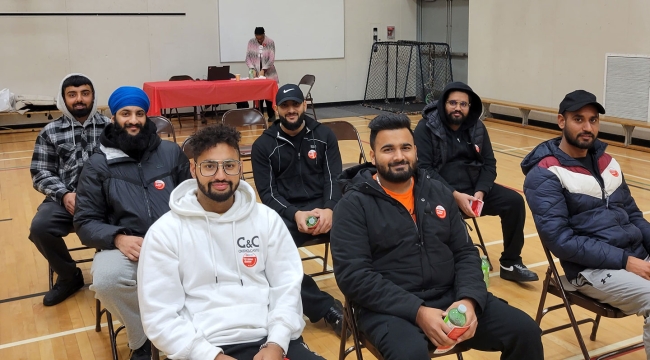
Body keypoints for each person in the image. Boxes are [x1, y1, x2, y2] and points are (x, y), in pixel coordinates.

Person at [331, 114, 544, 360]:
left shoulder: (438, 191)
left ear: (416, 152)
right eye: (388, 149)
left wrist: (469, 300)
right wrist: (418, 311)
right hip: (389, 309)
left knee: (525, 332)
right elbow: (354, 276)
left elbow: (465, 252)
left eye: (405, 148)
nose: (399, 156)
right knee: (410, 354)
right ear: (373, 156)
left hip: (451, 295)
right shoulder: (352, 205)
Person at [138, 124, 325, 360]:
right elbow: (159, 315)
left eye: (229, 165)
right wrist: (209, 355)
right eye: (209, 166)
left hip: (269, 340)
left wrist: (277, 342)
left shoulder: (267, 220)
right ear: (193, 169)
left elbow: (287, 288)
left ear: (240, 168)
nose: (220, 176)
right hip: (199, 347)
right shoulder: (165, 232)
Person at [522, 90, 650, 358]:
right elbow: (561, 241)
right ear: (561, 121)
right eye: (578, 119)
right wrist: (627, 261)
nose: (587, 127)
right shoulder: (545, 174)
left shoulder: (607, 162)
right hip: (590, 269)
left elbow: (634, 216)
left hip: (630, 256)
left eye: (593, 120)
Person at [73, 86, 191, 360]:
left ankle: (185, 327)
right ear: (113, 118)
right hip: (126, 247)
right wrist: (117, 238)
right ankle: (143, 339)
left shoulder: (171, 153)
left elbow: (191, 201)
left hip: (175, 242)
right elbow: (85, 221)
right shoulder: (97, 165)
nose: (134, 120)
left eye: (140, 113)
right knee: (106, 281)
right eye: (125, 113)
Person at [413, 81, 538, 282]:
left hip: (473, 191)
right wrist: (454, 195)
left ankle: (510, 262)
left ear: (469, 107)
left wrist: (481, 191)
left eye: (463, 104)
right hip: (439, 192)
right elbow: (423, 169)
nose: (458, 108)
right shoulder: (425, 128)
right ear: (443, 104)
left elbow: (489, 164)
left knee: (514, 202)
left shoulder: (477, 127)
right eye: (453, 103)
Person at [251, 84, 345, 335]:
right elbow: (268, 194)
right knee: (269, 257)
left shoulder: (324, 135)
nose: (291, 110)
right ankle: (327, 309)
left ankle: (367, 304)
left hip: (327, 210)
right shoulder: (264, 145)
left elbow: (334, 179)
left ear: (304, 105)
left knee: (363, 236)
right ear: (276, 109)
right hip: (288, 215)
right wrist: (295, 214)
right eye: (285, 106)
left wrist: (330, 209)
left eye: (296, 104)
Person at [29, 73, 110, 306]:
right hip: (64, 199)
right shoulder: (50, 132)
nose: (79, 99)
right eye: (72, 95)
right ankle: (69, 276)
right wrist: (64, 194)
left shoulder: (111, 128)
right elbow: (40, 172)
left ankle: (110, 274)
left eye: (85, 93)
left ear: (93, 96)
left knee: (128, 220)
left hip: (104, 200)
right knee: (40, 228)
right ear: (64, 99)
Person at [246, 26, 277, 120]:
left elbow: (271, 59)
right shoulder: (251, 42)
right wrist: (252, 69)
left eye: (261, 38)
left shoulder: (270, 42)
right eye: (257, 38)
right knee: (258, 95)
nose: (259, 40)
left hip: (269, 73)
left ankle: (271, 116)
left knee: (268, 95)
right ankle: (259, 116)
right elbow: (248, 58)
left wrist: (264, 69)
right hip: (255, 73)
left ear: (264, 35)